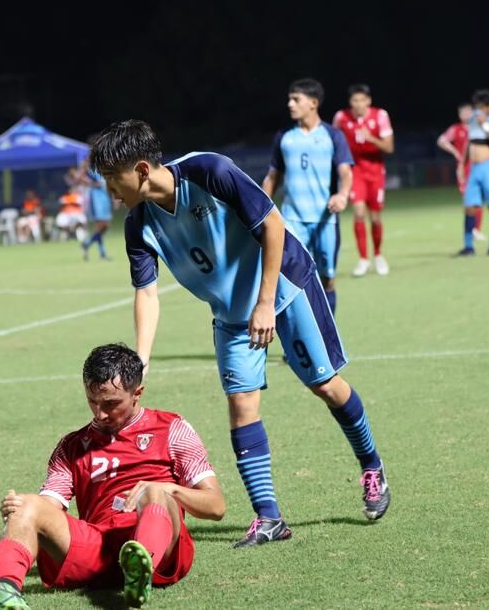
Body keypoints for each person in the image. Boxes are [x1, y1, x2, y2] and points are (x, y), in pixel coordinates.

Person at [91, 120, 390, 550]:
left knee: (325, 385)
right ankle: (270, 518)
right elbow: (147, 293)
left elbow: (273, 226)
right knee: (241, 404)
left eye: (111, 178)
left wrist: (265, 303)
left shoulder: (209, 171)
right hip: (231, 312)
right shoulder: (138, 224)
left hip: (285, 287)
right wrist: (141, 360)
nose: (109, 191)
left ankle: (372, 466)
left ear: (140, 169)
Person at [0, 343, 225, 610]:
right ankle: (6, 588)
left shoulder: (171, 429)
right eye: (92, 402)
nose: (100, 414)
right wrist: (18, 513)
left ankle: (141, 567)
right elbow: (48, 508)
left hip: (161, 551)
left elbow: (216, 506)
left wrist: (167, 489)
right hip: (98, 549)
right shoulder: (72, 446)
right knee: (27, 504)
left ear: (137, 393)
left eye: (111, 403)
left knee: (155, 492)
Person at [262, 78, 353, 314]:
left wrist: (342, 195)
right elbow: (272, 177)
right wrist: (260, 211)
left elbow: (345, 172)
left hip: (325, 220)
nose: (290, 104)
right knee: (292, 281)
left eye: (296, 99)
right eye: (290, 99)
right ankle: (298, 335)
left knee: (327, 279)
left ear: (313, 103)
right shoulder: (284, 136)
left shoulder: (333, 136)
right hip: (292, 221)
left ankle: (327, 331)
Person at [332, 84, 395, 276]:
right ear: (350, 102)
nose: (358, 104)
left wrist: (371, 138)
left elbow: (389, 147)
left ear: (368, 101)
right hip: (354, 171)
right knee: (359, 212)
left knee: (375, 217)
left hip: (375, 172)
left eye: (362, 100)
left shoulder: (380, 116)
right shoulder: (341, 117)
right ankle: (363, 259)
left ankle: (378, 254)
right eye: (355, 100)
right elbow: (333, 141)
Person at [457, 89, 489, 257]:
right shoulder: (472, 120)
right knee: (470, 208)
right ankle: (468, 247)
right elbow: (469, 142)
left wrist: (485, 125)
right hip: (475, 168)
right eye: (476, 107)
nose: (478, 111)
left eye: (481, 107)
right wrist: (462, 164)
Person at [437, 103, 485, 241]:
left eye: (468, 112)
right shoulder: (456, 129)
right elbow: (441, 140)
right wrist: (455, 152)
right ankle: (470, 229)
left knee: (479, 199)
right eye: (463, 113)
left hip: (479, 165)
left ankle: (476, 229)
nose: (466, 115)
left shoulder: (478, 127)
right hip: (464, 168)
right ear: (459, 115)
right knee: (468, 199)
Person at [82, 166, 114, 261]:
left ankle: (87, 244)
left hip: (104, 198)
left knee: (104, 227)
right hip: (97, 199)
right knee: (101, 226)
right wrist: (93, 183)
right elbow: (87, 176)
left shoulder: (103, 167)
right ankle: (102, 254)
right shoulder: (93, 169)